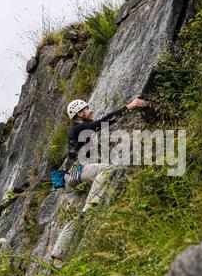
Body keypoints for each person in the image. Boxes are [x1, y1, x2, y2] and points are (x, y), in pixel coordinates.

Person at [51, 97, 149, 267]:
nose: (91, 111)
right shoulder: (79, 128)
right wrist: (129, 107)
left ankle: (58, 256)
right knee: (107, 169)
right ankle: (91, 206)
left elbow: (103, 125)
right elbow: (103, 122)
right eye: (87, 109)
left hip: (70, 179)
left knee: (77, 218)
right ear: (79, 114)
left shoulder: (80, 131)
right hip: (77, 171)